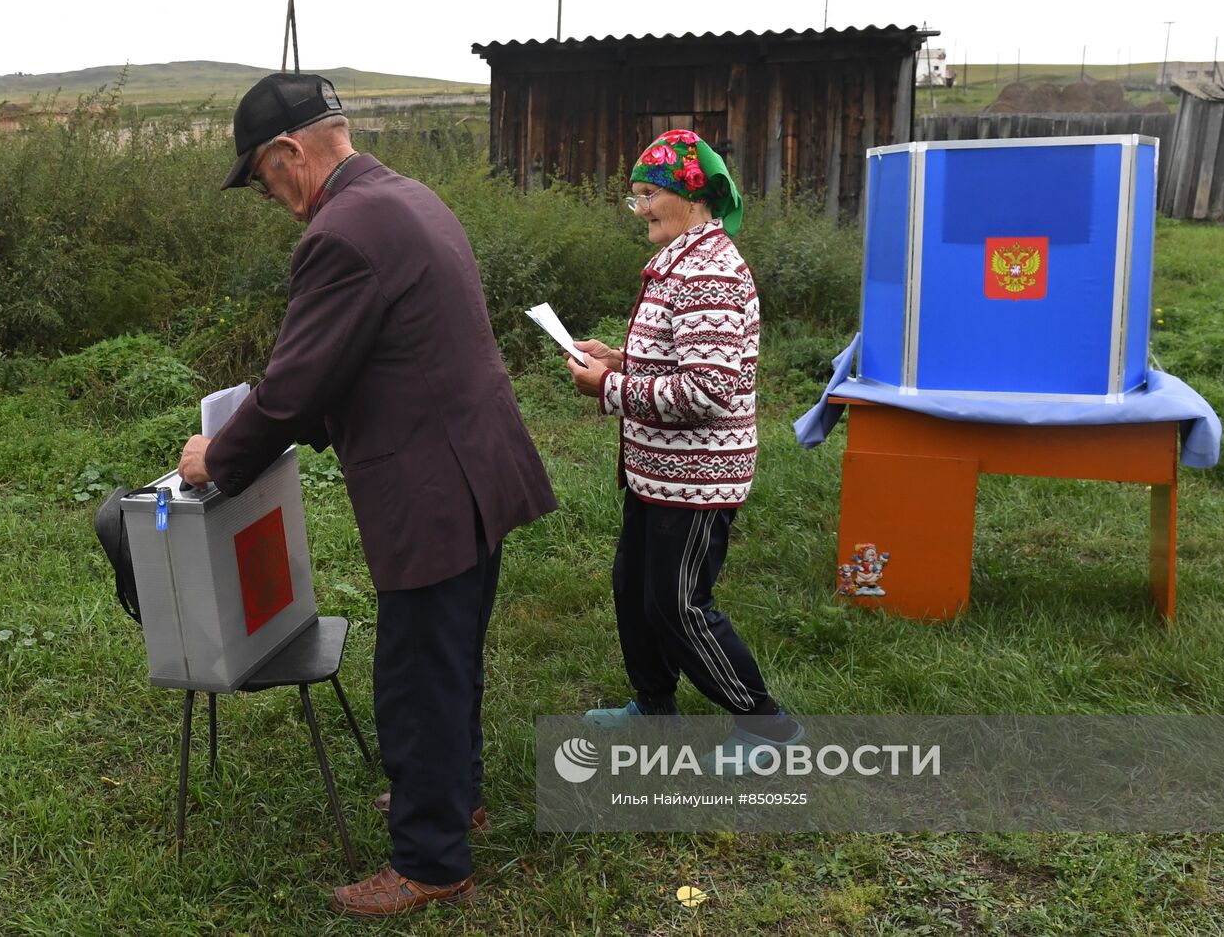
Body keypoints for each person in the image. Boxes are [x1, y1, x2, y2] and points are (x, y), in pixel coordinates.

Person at [178, 73, 556, 917]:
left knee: (417, 674)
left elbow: (293, 389)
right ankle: (455, 798)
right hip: (479, 466)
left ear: (289, 153)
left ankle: (430, 859)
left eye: (264, 179)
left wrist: (219, 457)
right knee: (452, 654)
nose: (271, 197)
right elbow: (379, 355)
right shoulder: (406, 196)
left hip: (431, 482)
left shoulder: (340, 233)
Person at [564, 128, 801, 773]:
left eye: (647, 195)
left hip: (697, 480)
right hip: (656, 473)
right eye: (634, 197)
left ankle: (765, 725)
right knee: (635, 588)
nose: (638, 209)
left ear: (690, 197)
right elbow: (682, 356)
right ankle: (654, 708)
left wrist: (609, 387)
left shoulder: (711, 274)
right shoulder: (682, 263)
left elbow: (713, 388)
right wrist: (620, 359)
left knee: (677, 605)